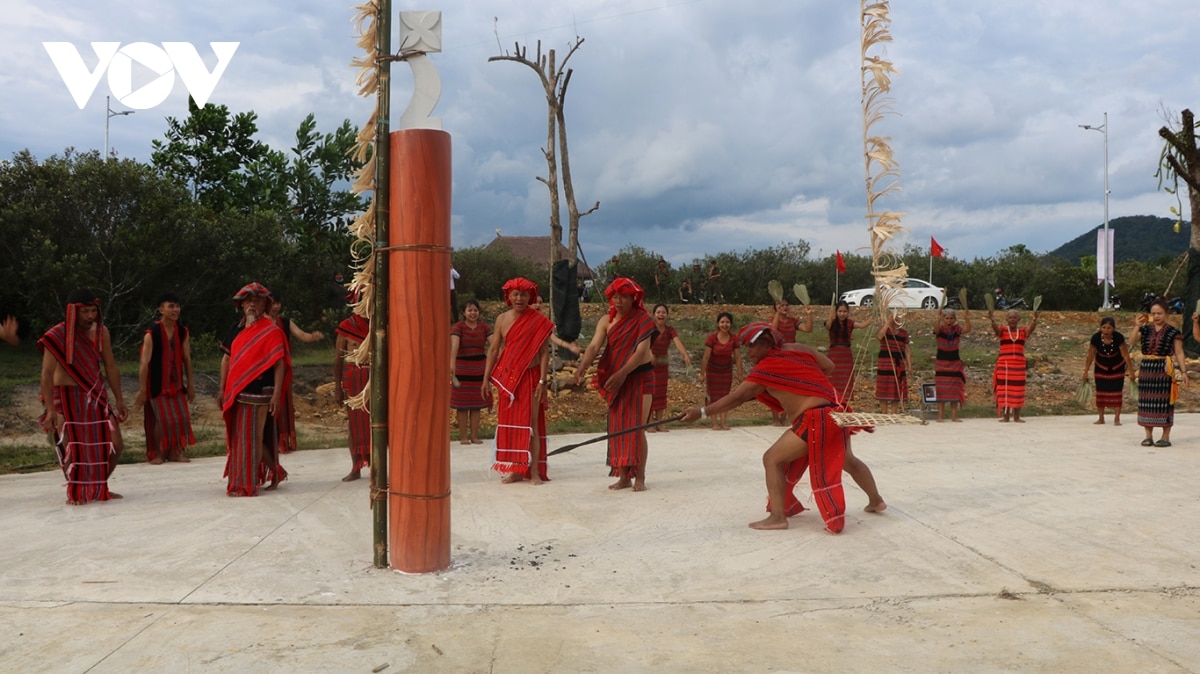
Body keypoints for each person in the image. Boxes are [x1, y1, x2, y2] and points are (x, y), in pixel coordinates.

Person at [680, 323, 885, 532]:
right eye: (745, 347)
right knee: (849, 461)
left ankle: (777, 517)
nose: (748, 352)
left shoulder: (766, 368)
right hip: (835, 412)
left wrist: (701, 412)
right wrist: (801, 380)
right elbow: (828, 367)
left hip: (816, 419)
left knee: (772, 459)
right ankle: (876, 500)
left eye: (751, 346)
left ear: (767, 343)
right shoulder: (800, 349)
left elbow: (736, 398)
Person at [38, 289, 128, 505]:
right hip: (64, 395)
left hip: (95, 393)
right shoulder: (56, 335)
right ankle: (77, 490)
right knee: (71, 446)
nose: (90, 316)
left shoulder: (101, 332)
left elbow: (111, 365)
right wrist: (50, 408)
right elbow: (47, 373)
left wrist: (120, 398)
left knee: (115, 443)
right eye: (85, 311)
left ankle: (97, 486)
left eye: (93, 311)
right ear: (72, 312)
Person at [574, 278, 657, 491]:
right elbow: (593, 346)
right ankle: (623, 476)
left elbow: (640, 353)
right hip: (616, 379)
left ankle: (640, 477)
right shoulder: (606, 321)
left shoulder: (643, 320)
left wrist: (622, 373)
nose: (618, 301)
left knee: (638, 428)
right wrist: (583, 366)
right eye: (614, 297)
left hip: (639, 376)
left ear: (633, 298)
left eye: (623, 297)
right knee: (618, 427)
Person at [219, 283, 290, 496]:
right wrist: (222, 389)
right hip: (238, 390)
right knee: (242, 436)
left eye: (257, 300)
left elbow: (280, 364)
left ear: (264, 304)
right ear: (241, 304)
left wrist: (277, 394)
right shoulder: (236, 328)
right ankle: (275, 471)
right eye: (248, 300)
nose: (252, 304)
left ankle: (246, 483)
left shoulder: (271, 330)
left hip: (261, 390)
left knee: (253, 436)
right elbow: (227, 359)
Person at [483, 277, 553, 484]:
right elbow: (494, 349)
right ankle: (515, 469)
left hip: (531, 378)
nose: (519, 298)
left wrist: (542, 382)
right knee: (510, 424)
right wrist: (485, 378)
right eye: (515, 294)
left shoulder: (539, 321)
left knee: (532, 426)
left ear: (530, 297)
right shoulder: (502, 319)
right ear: (508, 297)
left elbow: (543, 353)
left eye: (523, 294)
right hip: (508, 381)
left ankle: (533, 472)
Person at [134, 292, 195, 464]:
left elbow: (187, 358)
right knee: (162, 419)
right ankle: (157, 453)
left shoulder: (182, 331)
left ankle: (175, 452)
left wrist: (190, 384)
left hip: (175, 380)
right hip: (156, 381)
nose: (175, 310)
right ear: (161, 309)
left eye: (177, 306)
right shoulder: (151, 333)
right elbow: (144, 363)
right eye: (171, 306)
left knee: (180, 417)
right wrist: (143, 389)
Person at [268, 292, 324, 454]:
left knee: (283, 404)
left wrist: (313, 337)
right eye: (273, 303)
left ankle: (283, 441)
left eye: (278, 303)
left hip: (282, 369)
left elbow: (301, 335)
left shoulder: (285, 322)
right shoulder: (259, 322)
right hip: (264, 370)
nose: (276, 306)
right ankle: (269, 440)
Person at [1136, 298, 1188, 446]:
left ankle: (1165, 436)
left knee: (1164, 402)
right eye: (1154, 313)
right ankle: (1148, 436)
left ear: (1167, 314)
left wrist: (1183, 371)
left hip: (1164, 369)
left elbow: (1179, 352)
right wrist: (1136, 327)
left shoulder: (1173, 332)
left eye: (1159, 313)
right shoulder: (1145, 329)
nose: (1157, 316)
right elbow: (1132, 341)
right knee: (1146, 401)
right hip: (1147, 368)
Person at [333, 308, 370, 481]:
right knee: (354, 425)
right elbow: (338, 358)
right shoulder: (347, 326)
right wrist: (338, 387)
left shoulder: (382, 324)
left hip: (377, 377)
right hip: (354, 377)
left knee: (379, 424)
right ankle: (356, 467)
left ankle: (378, 467)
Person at [450, 299, 492, 445]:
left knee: (476, 405)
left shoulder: (484, 327)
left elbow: (494, 344)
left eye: (475, 310)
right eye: (470, 310)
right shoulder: (458, 327)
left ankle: (474, 436)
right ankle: (463, 437)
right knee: (462, 406)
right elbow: (454, 347)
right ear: (463, 313)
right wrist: (452, 365)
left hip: (480, 369)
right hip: (462, 369)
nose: (473, 313)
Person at [988, 307, 1039, 422]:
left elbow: (1031, 330)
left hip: (1018, 366)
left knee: (1018, 391)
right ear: (1006, 319)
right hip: (1004, 365)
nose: (1012, 320)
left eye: (1014, 317)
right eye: (1010, 317)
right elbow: (996, 331)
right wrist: (992, 321)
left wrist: (1034, 320)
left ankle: (1016, 417)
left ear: (1019, 319)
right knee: (1005, 390)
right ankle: (1006, 417)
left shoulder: (1022, 332)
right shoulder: (1003, 331)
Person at [647, 303, 692, 432]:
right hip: (649, 366)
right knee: (650, 393)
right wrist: (650, 354)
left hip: (663, 366)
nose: (661, 315)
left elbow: (677, 342)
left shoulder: (670, 329)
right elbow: (644, 343)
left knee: (661, 393)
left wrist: (685, 355)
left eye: (663, 312)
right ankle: (649, 422)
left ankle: (660, 422)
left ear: (667, 315)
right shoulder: (650, 328)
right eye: (658, 312)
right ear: (654, 315)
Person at [1083, 316, 1135, 426]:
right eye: (1104, 327)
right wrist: (1086, 371)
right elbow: (1091, 355)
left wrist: (1131, 371)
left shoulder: (1118, 338)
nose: (1106, 330)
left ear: (1114, 329)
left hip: (1117, 368)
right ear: (1100, 328)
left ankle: (1117, 418)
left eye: (1109, 328)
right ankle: (1101, 418)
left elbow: (1125, 355)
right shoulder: (1096, 338)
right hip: (1101, 368)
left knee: (1117, 392)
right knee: (1100, 393)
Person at [769, 298, 814, 425]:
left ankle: (785, 416)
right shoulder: (772, 319)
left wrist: (809, 314)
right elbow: (772, 330)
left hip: (792, 358)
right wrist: (777, 313)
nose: (784, 307)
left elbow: (808, 329)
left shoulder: (793, 321)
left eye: (786, 305)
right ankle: (775, 419)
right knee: (775, 388)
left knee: (790, 389)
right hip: (777, 357)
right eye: (781, 305)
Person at [700, 312, 742, 430]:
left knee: (725, 397)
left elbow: (738, 358)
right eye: (722, 322)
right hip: (713, 372)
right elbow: (706, 357)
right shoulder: (712, 338)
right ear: (718, 324)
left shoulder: (734, 339)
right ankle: (714, 423)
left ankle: (723, 422)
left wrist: (740, 375)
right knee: (713, 396)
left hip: (726, 372)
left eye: (727, 322)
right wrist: (702, 374)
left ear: (731, 324)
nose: (725, 324)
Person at [824, 300, 871, 402]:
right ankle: (832, 400)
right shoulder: (832, 322)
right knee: (833, 379)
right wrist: (830, 316)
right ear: (836, 312)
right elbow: (827, 326)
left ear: (848, 312)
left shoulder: (850, 323)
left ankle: (845, 402)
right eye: (840, 311)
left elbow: (863, 325)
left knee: (846, 380)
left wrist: (874, 316)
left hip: (846, 356)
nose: (842, 314)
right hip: (834, 355)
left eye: (844, 311)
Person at [933, 307, 972, 422]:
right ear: (944, 319)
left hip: (954, 363)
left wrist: (967, 319)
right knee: (941, 390)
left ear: (955, 319)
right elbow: (935, 330)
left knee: (954, 390)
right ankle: (940, 416)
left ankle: (954, 416)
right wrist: (938, 319)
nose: (949, 320)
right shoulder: (940, 328)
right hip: (941, 363)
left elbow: (967, 329)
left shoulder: (957, 329)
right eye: (947, 318)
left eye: (951, 318)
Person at [875, 311, 910, 414]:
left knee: (897, 388)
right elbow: (879, 337)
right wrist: (887, 323)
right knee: (883, 387)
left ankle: (894, 413)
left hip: (898, 364)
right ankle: (884, 412)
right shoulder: (884, 330)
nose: (895, 321)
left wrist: (909, 365)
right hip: (885, 364)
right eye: (893, 319)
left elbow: (907, 350)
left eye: (897, 319)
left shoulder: (903, 333)